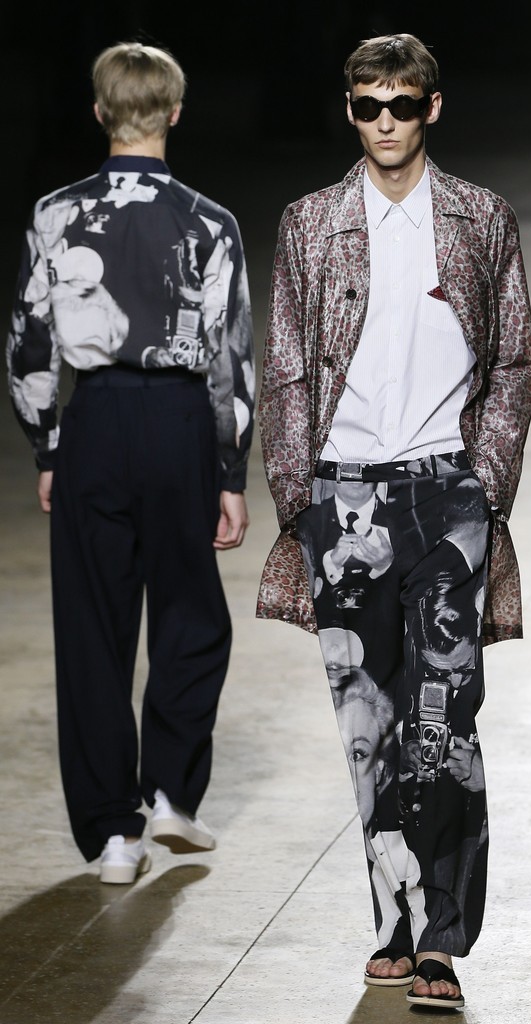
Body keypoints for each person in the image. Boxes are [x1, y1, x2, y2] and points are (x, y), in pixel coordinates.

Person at [256, 31, 531, 1011]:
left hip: (445, 497)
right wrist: (297, 497)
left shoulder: (478, 218)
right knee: (369, 724)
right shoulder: (310, 223)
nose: (385, 122)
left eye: (402, 105)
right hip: (341, 500)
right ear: (348, 110)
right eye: (368, 105)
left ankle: (441, 943)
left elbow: (514, 360)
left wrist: (485, 484)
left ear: (431, 108)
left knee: (443, 718)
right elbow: (284, 366)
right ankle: (392, 921)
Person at [6, 42, 255, 884]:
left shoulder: (55, 213)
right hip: (179, 425)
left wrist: (49, 445)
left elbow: (29, 343)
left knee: (93, 626)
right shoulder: (209, 222)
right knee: (191, 612)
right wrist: (229, 474)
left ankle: (115, 835)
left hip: (97, 421)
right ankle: (172, 794)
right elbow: (230, 358)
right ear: (175, 113)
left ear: (99, 112)